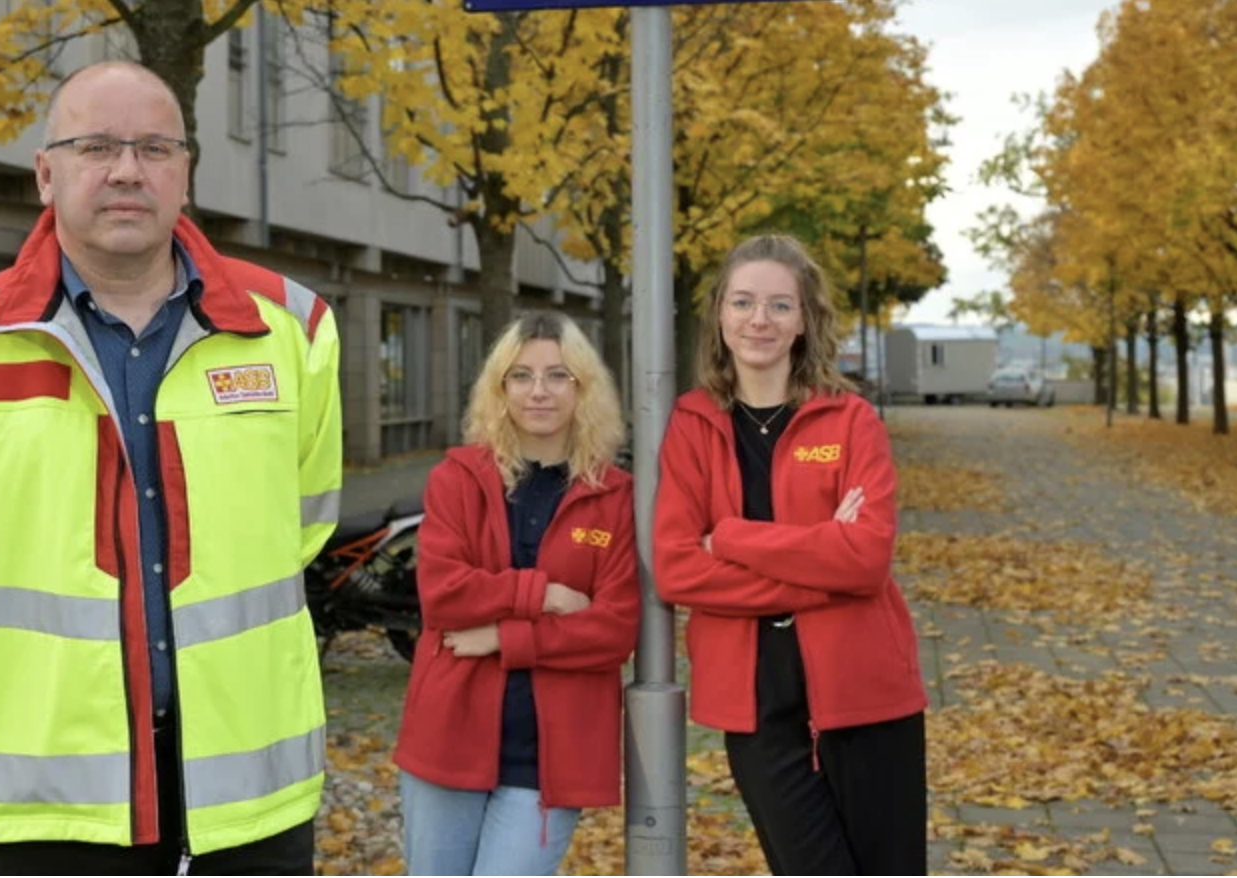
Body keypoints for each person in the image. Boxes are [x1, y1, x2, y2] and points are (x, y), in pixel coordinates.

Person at [0, 61, 342, 876]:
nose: (127, 170)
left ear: (186, 173)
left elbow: (303, 525)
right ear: (46, 174)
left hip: (245, 791)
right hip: (48, 794)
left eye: (155, 147)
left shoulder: (292, 333)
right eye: (96, 146)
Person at [653, 234, 928, 875]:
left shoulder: (850, 420)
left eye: (780, 305)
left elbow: (865, 559)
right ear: (720, 313)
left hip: (868, 696)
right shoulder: (692, 424)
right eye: (744, 302)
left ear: (805, 319)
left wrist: (734, 539)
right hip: (756, 707)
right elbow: (676, 568)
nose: (760, 320)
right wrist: (821, 570)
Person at [393, 312, 640, 876]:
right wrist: (545, 594)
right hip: (449, 736)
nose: (539, 391)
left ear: (584, 389)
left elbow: (613, 630)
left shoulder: (615, 498)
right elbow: (444, 596)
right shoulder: (458, 479)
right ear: (499, 388)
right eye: (522, 376)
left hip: (552, 757)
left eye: (558, 376)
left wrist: (503, 637)